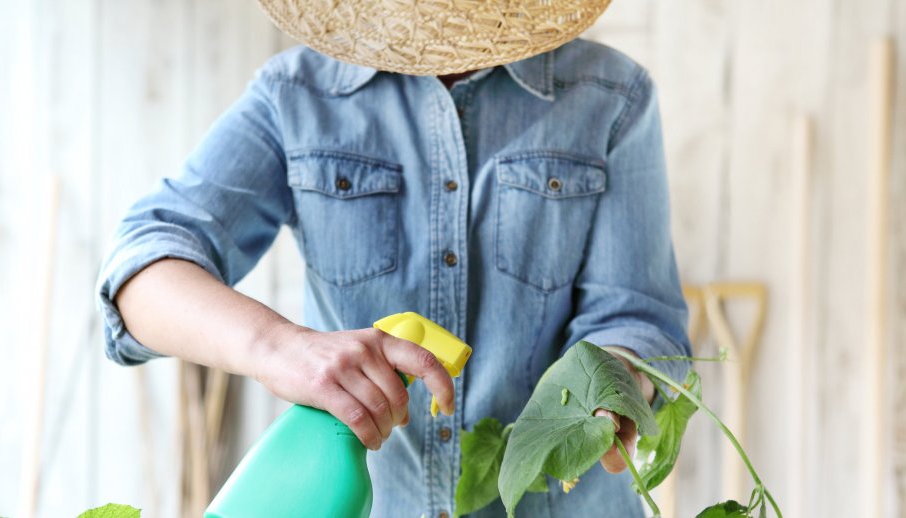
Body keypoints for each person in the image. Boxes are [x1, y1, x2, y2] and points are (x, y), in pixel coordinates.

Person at [95, 0, 691, 516]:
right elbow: (142, 268)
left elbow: (637, 317)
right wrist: (281, 348)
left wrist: (614, 384)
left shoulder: (611, 96)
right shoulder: (295, 95)